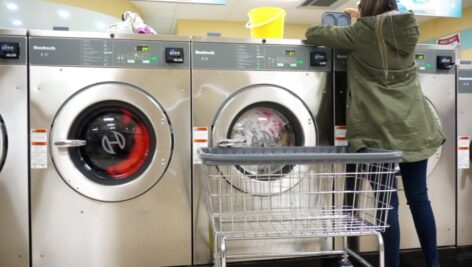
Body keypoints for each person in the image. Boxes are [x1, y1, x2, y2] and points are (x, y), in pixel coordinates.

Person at [305, 1, 443, 267]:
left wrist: (358, 20)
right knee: (419, 198)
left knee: (386, 204)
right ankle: (434, 263)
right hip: (414, 126)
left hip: (377, 132)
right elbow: (385, 28)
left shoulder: (359, 33)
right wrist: (364, 19)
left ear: (366, 6)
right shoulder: (409, 29)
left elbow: (314, 32)